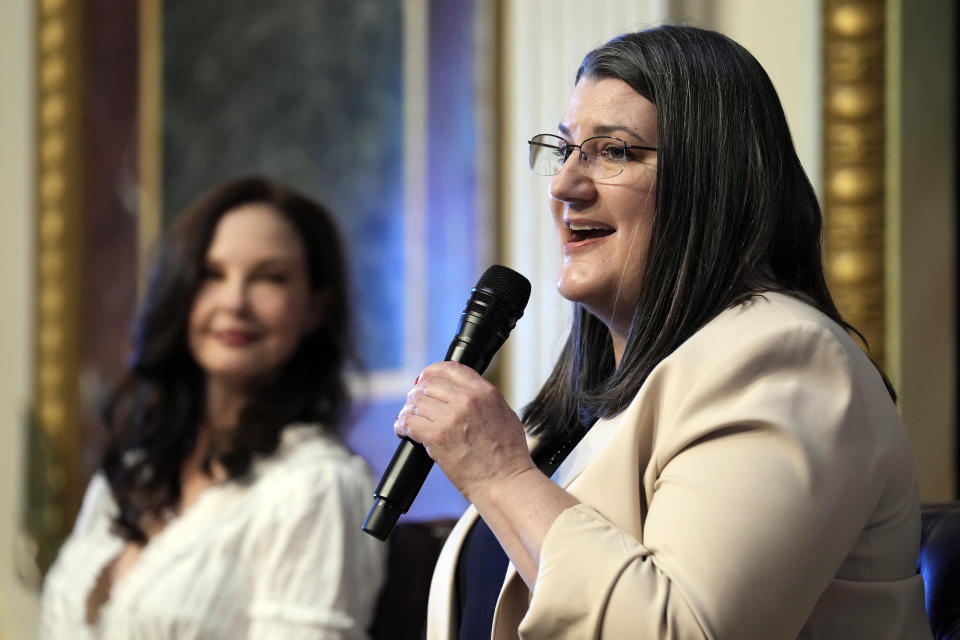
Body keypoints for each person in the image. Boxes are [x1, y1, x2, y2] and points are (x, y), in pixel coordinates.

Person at [394, 25, 932, 639]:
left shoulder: (787, 359)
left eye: (613, 151)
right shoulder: (577, 412)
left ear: (712, 180)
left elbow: (681, 630)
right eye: (566, 149)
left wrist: (502, 477)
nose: (566, 186)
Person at [40, 176, 386, 638]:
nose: (234, 302)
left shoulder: (317, 483)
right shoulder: (132, 470)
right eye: (211, 273)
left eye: (270, 277)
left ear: (315, 308)